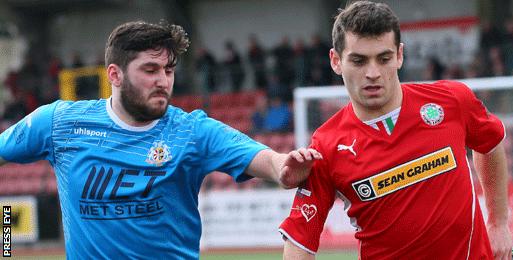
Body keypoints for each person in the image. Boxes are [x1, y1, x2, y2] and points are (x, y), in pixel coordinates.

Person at [0, 21, 322, 259]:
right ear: (115, 74)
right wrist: (5, 241)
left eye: (168, 70)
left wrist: (282, 166)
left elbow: (260, 157)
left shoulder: (191, 130)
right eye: (150, 69)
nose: (163, 81)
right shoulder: (59, 122)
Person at [279, 1, 512, 259]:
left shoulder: (452, 100)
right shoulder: (326, 146)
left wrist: (499, 221)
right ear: (336, 61)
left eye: (384, 58)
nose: (373, 73)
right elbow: (299, 238)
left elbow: (490, 143)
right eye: (358, 61)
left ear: (399, 55)